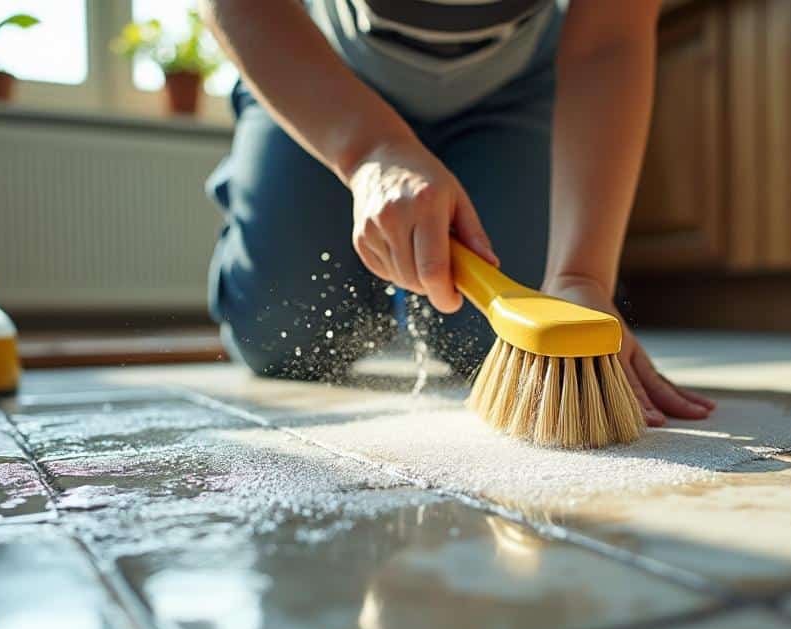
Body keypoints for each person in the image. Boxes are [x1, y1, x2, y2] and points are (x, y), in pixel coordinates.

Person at [202, 0, 714, 426]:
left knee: (483, 341)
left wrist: (581, 275)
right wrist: (369, 150)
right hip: (324, 70)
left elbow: (610, 40)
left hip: (515, 90)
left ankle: (413, 270)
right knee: (282, 340)